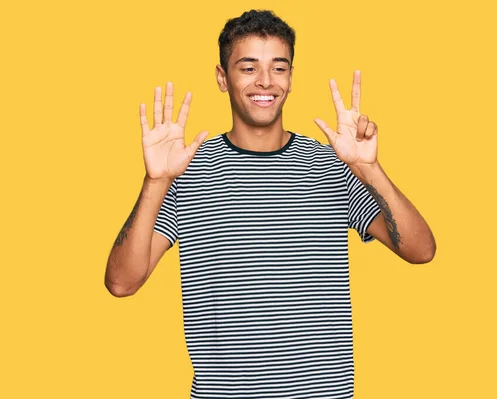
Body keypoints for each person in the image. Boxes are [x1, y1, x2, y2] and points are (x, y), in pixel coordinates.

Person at [105, 9, 436, 399]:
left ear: (291, 79)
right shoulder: (187, 171)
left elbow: (421, 250)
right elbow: (122, 283)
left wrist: (371, 168)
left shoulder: (331, 165)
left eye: (279, 68)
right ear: (221, 77)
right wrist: (155, 182)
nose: (265, 81)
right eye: (248, 68)